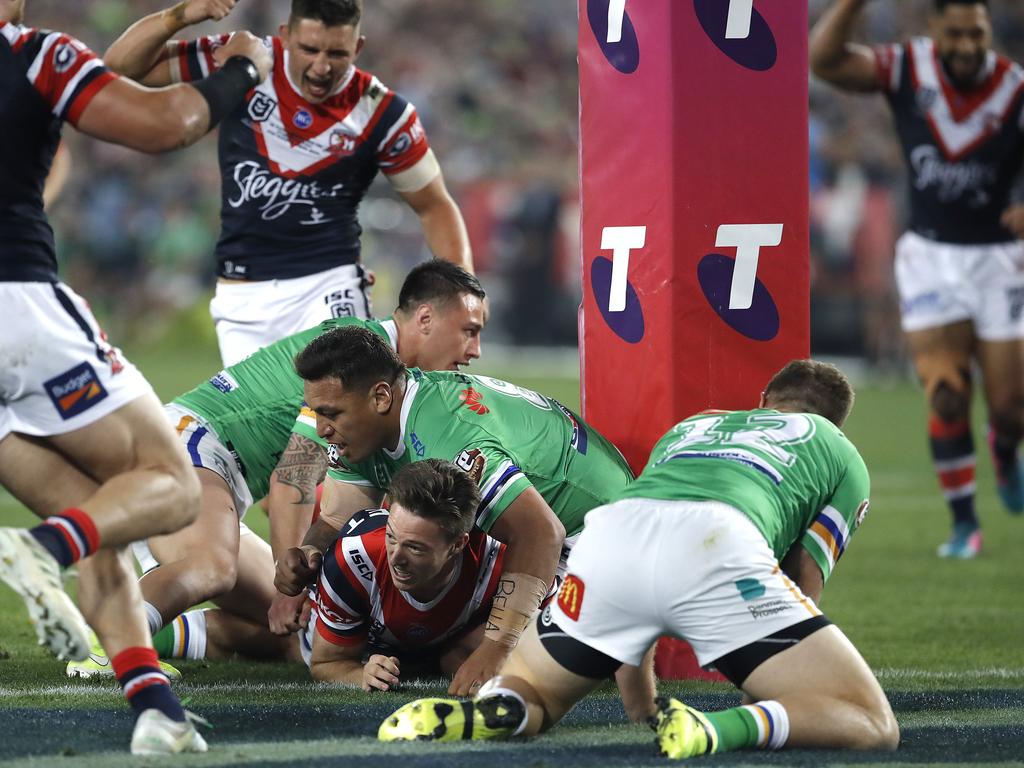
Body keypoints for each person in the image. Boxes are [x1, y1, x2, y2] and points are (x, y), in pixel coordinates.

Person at [378, 360, 901, 760]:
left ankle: (498, 710)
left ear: (762, 400)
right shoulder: (838, 449)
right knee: (871, 721)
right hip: (717, 544)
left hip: (608, 537)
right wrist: (771, 694)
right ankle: (711, 731)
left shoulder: (697, 426)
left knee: (533, 692)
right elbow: (801, 582)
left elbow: (646, 557)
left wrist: (643, 709)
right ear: (837, 424)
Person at [0, 0, 271, 754]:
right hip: (16, 307)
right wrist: (241, 69)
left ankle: (157, 710)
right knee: (172, 485)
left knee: (103, 519)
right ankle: (40, 551)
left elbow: (104, 75)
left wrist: (177, 19)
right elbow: (165, 125)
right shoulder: (32, 52)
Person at [63, 261, 486, 676]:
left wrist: (292, 590)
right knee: (212, 564)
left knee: (304, 626)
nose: (475, 350)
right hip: (187, 444)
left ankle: (138, 628)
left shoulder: (378, 363)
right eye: (469, 330)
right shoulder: (357, 362)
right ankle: (115, 644)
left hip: (202, 461)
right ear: (426, 319)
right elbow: (293, 479)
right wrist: (293, 586)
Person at [274, 326, 653, 720]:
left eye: (331, 414)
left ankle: (601, 644)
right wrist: (307, 553)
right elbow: (337, 515)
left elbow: (540, 533)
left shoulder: (450, 441)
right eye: (317, 413)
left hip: (596, 535)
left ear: (381, 397)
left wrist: (498, 644)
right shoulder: (375, 423)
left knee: (482, 660)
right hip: (535, 526)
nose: (321, 429)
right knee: (450, 647)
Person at [104, 0, 474, 366]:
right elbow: (121, 65)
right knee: (266, 425)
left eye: (337, 54)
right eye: (309, 49)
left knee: (341, 411)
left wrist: (465, 298)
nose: (321, 67)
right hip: (243, 294)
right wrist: (179, 16)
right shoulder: (246, 61)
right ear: (284, 36)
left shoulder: (383, 113)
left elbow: (434, 205)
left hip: (329, 284)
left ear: (358, 48)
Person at [809, 0, 1024, 559]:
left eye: (977, 33)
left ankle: (1005, 445)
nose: (967, 45)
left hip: (1000, 257)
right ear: (934, 30)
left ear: (987, 31)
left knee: (1010, 406)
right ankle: (963, 525)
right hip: (931, 254)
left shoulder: (1013, 88)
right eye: (955, 33)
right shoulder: (908, 69)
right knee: (948, 393)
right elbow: (824, 60)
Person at [311, 459, 506, 691]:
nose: (395, 558)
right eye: (391, 537)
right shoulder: (352, 561)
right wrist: (360, 674)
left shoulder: (497, 561)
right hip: (361, 643)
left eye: (415, 548)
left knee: (465, 657)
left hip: (447, 642)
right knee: (287, 647)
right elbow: (327, 662)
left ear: (457, 544)